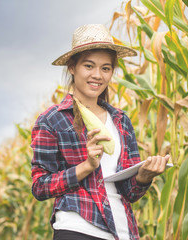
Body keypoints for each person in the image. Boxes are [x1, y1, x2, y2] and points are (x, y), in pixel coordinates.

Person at [30, 24, 170, 240]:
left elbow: (129, 193)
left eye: (106, 68)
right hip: (78, 228)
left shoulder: (122, 122)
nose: (97, 75)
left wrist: (143, 177)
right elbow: (40, 187)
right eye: (89, 66)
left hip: (122, 232)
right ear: (72, 67)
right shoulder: (52, 120)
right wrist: (87, 166)